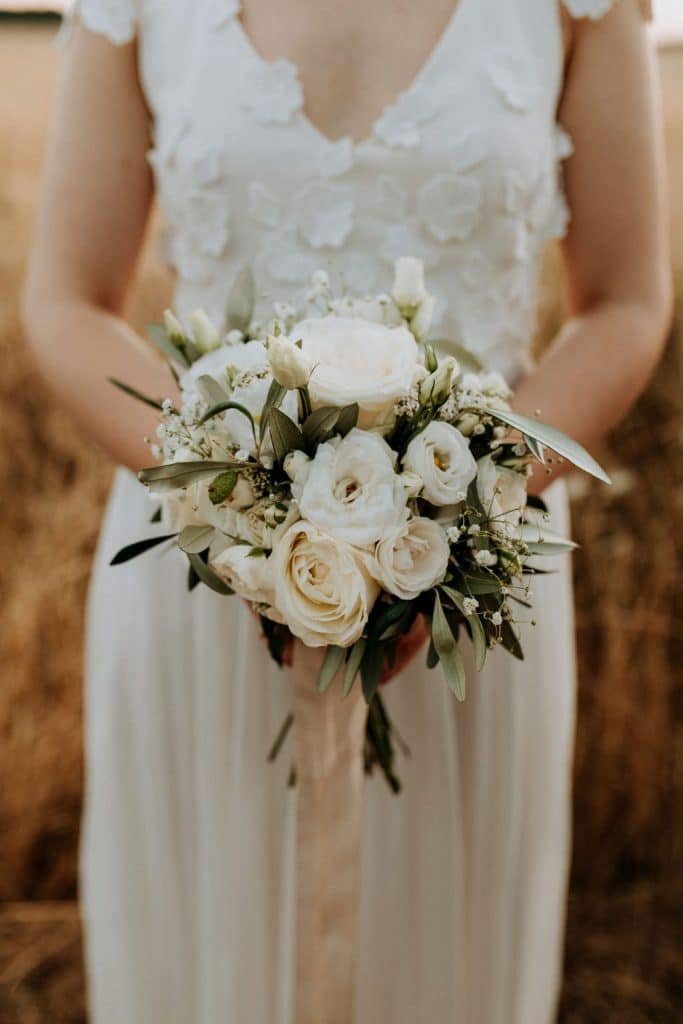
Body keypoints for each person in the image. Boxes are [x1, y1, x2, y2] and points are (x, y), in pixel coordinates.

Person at [22, 1, 670, 1021]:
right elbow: (64, 298)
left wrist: (455, 504)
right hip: (205, 587)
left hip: (468, 594)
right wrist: (239, 500)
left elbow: (626, 299)